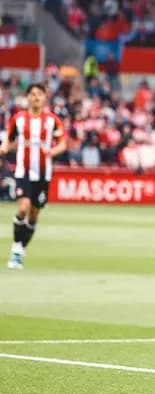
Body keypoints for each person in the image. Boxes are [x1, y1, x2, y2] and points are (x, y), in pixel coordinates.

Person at [1, 83, 66, 269]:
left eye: (39, 94)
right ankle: (16, 248)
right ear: (27, 97)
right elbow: (9, 140)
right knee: (23, 207)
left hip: (43, 174)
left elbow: (62, 144)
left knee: (34, 215)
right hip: (23, 171)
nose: (36, 97)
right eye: (32, 94)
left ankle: (21, 249)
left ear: (45, 98)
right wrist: (4, 148)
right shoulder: (18, 119)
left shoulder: (53, 120)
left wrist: (52, 151)